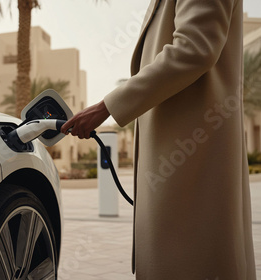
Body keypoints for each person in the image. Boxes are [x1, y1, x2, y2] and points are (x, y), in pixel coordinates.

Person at [61, 0, 256, 279]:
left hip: (192, 155)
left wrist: (105, 107)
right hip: (182, 154)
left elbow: (194, 49)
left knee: (195, 259)